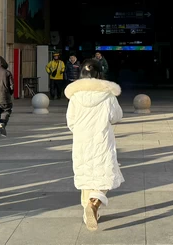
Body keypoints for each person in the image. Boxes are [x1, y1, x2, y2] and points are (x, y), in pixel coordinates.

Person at [65, 58, 124, 232]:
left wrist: (81, 130)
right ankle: (95, 202)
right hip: (102, 139)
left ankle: (87, 212)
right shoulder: (107, 95)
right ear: (99, 74)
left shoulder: (75, 97)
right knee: (107, 173)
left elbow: (71, 122)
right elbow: (116, 116)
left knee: (85, 175)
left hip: (81, 141)